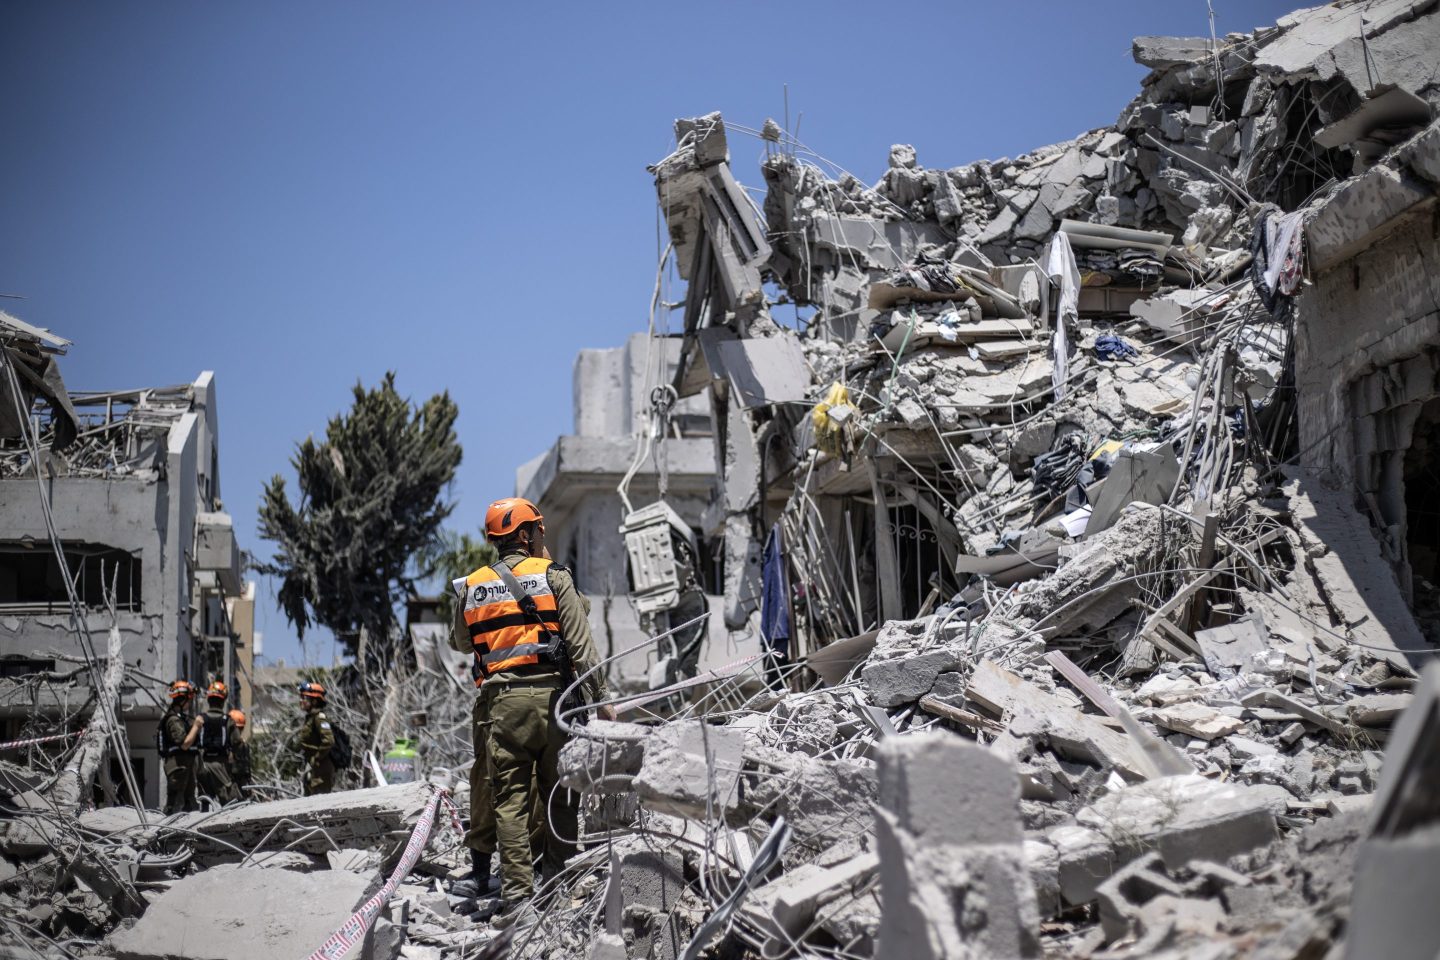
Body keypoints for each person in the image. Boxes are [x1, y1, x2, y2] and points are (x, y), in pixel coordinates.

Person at [455, 497, 613, 920]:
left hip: (502, 707)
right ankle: (559, 886)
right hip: (554, 703)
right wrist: (603, 702)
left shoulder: (471, 585)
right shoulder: (554, 575)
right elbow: (581, 648)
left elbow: (462, 641)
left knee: (509, 802)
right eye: (539, 528)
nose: (544, 534)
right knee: (559, 795)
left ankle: (518, 899)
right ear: (525, 534)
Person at [158, 680, 203, 814]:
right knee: (176, 805)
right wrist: (196, 726)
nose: (190, 703)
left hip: (184, 767)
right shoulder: (173, 720)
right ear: (182, 699)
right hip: (178, 768)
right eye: (189, 699)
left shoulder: (181, 719)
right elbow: (184, 744)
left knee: (189, 805)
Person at [196, 681, 241, 805]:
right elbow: (237, 742)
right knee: (230, 801)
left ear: (209, 700)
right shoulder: (227, 720)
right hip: (220, 765)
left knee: (204, 799)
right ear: (223, 701)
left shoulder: (201, 718)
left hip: (202, 765)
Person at [297, 681, 335, 795]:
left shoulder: (319, 718)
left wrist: (316, 759)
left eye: (304, 697)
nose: (301, 700)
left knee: (320, 805)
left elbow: (328, 741)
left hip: (321, 771)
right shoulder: (310, 718)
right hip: (314, 770)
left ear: (314, 701)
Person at [227, 708, 252, 795]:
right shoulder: (224, 746)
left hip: (239, 783)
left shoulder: (244, 745)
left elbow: (247, 769)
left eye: (240, 728)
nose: (238, 732)